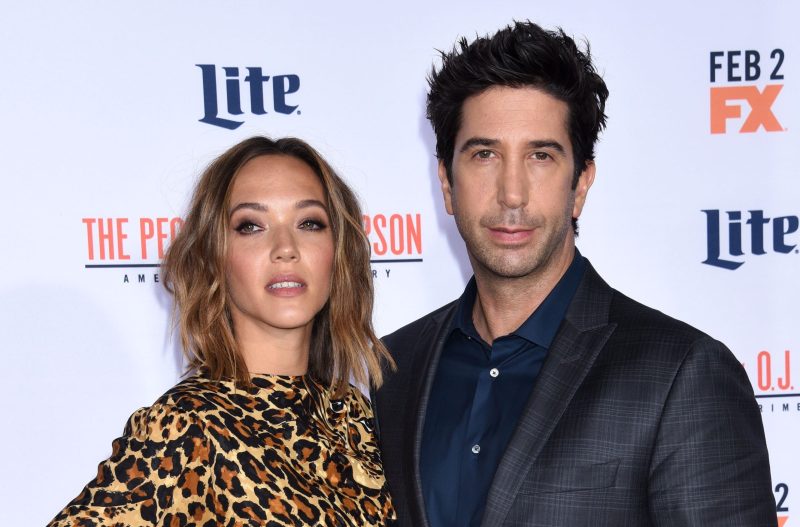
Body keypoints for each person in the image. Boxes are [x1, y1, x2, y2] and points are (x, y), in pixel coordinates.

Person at [372, 21, 777, 527]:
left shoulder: (682, 375)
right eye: (484, 154)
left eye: (541, 156)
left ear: (581, 183)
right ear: (447, 184)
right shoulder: (391, 368)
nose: (512, 193)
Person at [49, 136, 397, 526]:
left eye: (309, 223)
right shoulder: (188, 426)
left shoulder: (357, 416)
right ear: (215, 257)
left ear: (338, 251)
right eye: (251, 226)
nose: (285, 247)